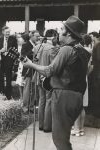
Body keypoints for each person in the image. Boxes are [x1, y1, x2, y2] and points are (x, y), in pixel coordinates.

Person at [22, 16, 90, 150]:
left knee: (59, 139)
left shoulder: (66, 49)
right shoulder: (83, 50)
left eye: (61, 29)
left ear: (68, 33)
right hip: (77, 96)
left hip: (64, 96)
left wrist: (31, 65)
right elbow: (79, 71)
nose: (58, 31)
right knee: (64, 136)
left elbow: (49, 70)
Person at [33, 29, 59, 132]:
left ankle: (41, 124)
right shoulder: (53, 49)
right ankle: (47, 126)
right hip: (48, 78)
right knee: (49, 101)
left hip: (38, 76)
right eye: (56, 37)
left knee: (41, 100)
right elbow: (54, 66)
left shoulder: (37, 47)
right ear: (53, 37)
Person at [71, 34, 92, 136]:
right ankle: (81, 128)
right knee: (82, 106)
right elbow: (90, 68)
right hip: (85, 78)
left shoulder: (78, 51)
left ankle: (75, 128)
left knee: (75, 105)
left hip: (77, 80)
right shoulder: (89, 52)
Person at [21, 30, 40, 112]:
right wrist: (32, 50)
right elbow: (22, 56)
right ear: (31, 36)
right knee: (27, 89)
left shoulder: (39, 45)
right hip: (28, 70)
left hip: (36, 69)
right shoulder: (25, 45)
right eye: (36, 36)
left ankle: (32, 106)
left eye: (39, 36)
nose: (38, 38)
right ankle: (25, 107)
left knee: (35, 89)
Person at [0, 26, 17, 99]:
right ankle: (1, 93)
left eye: (9, 32)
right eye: (6, 32)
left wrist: (12, 60)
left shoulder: (13, 39)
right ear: (3, 32)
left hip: (9, 60)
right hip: (1, 61)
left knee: (8, 78)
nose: (8, 33)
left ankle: (8, 95)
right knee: (0, 78)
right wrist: (0, 51)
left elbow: (15, 50)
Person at [16, 33, 29, 101]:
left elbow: (24, 57)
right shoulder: (18, 46)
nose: (19, 39)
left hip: (25, 64)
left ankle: (24, 97)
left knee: (24, 81)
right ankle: (21, 97)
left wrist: (20, 59)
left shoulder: (26, 46)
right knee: (19, 81)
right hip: (20, 65)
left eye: (21, 38)